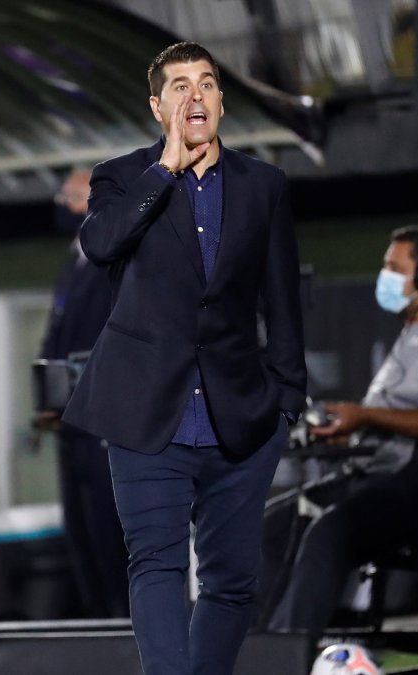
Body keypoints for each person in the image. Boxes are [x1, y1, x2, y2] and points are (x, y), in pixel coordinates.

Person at [60, 41, 307, 675]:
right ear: (157, 106)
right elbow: (101, 244)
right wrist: (165, 170)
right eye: (179, 87)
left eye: (206, 84)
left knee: (231, 582)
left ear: (222, 100)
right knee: (157, 564)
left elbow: (283, 301)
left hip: (242, 419)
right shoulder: (120, 176)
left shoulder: (265, 186)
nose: (195, 96)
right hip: (145, 415)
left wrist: (286, 403)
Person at [258, 224, 418, 638]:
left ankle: (288, 657)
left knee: (330, 531)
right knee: (271, 527)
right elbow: (395, 419)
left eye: (393, 267)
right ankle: (246, 653)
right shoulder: (413, 336)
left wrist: (365, 418)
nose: (383, 276)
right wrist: (351, 433)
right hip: (392, 475)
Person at [35, 169, 129, 619]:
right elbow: (57, 336)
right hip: (70, 421)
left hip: (103, 418)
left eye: (72, 196)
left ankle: (120, 620)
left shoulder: (114, 259)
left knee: (109, 526)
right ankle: (97, 618)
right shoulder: (73, 262)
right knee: (82, 528)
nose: (64, 205)